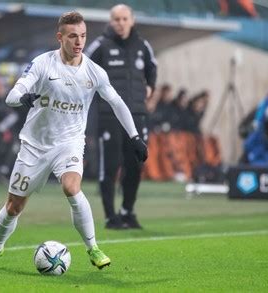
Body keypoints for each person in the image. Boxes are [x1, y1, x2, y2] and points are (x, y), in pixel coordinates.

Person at [0, 11, 147, 270]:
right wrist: (23, 98)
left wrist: (134, 136)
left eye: (83, 36)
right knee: (13, 206)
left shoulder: (94, 72)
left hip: (69, 143)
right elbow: (13, 94)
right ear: (60, 37)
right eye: (73, 36)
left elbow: (117, 102)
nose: (79, 42)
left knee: (71, 187)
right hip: (34, 145)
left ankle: (94, 248)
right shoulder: (43, 64)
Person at [85, 4, 157, 229]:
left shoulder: (143, 46)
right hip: (109, 116)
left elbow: (152, 68)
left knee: (135, 165)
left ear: (132, 20)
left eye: (125, 19)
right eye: (116, 19)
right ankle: (110, 216)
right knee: (110, 165)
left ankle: (127, 211)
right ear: (110, 21)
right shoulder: (100, 45)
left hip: (137, 115)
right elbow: (82, 70)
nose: (121, 23)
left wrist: (151, 87)